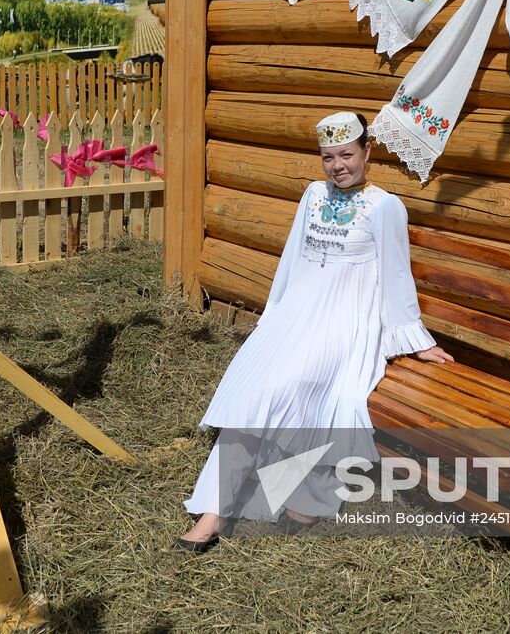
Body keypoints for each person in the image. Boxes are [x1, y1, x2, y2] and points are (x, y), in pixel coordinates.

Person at [177, 112, 453, 552]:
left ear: (367, 151)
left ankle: (296, 498)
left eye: (346, 154)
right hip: (297, 317)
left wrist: (415, 342)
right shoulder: (312, 194)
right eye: (328, 157)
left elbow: (397, 277)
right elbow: (292, 259)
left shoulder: (385, 207)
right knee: (255, 391)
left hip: (346, 325)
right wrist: (275, 318)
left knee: (304, 392)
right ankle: (215, 511)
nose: (338, 165)